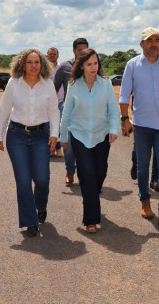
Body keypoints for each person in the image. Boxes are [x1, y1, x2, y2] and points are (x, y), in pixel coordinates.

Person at [119, 27, 159, 227]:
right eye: (150, 40)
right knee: (143, 166)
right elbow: (124, 95)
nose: (154, 43)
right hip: (142, 125)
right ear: (142, 44)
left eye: (157, 40)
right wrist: (125, 119)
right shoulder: (132, 65)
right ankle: (145, 202)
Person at [0, 48, 59, 237]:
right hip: (17, 136)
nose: (33, 66)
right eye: (30, 62)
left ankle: (40, 205)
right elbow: (4, 111)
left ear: (42, 64)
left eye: (37, 62)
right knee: (23, 181)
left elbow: (54, 112)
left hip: (41, 135)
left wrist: (55, 134)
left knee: (42, 178)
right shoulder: (13, 83)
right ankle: (30, 221)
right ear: (22, 65)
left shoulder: (48, 85)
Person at [59, 48, 120, 233]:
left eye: (95, 63)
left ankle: (90, 188)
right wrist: (62, 136)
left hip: (102, 135)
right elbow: (67, 112)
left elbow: (113, 110)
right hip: (80, 135)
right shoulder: (74, 85)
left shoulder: (106, 84)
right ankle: (90, 219)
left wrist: (114, 129)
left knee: (100, 172)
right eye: (89, 64)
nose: (93, 67)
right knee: (87, 174)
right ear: (82, 66)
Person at [53, 38, 89, 186]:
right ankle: (69, 170)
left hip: (87, 110)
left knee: (85, 143)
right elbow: (54, 88)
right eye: (80, 50)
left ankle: (82, 172)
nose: (83, 53)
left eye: (85, 49)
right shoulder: (64, 67)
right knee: (67, 143)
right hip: (67, 109)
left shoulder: (93, 65)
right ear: (74, 51)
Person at [47, 47, 63, 157]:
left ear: (58, 55)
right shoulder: (42, 69)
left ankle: (57, 148)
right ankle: (52, 148)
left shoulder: (62, 68)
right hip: (46, 103)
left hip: (60, 101)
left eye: (54, 54)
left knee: (59, 126)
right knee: (48, 126)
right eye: (50, 54)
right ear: (47, 55)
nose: (52, 56)